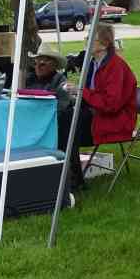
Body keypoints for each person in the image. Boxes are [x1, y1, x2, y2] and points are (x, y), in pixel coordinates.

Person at [27, 42, 88, 190]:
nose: (38, 66)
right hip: (30, 121)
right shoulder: (29, 79)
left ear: (53, 65)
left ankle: (70, 178)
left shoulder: (59, 81)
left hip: (52, 122)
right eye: (37, 62)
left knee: (67, 122)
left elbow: (62, 106)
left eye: (43, 63)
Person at [81, 23, 138, 148]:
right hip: (97, 115)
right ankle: (65, 165)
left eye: (91, 38)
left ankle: (70, 167)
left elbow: (110, 104)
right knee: (61, 119)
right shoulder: (93, 63)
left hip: (116, 121)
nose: (86, 41)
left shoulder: (116, 67)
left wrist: (81, 92)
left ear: (104, 44)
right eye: (87, 37)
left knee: (67, 126)